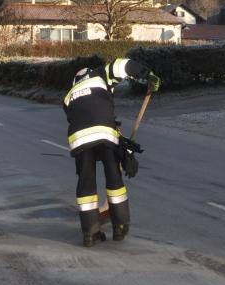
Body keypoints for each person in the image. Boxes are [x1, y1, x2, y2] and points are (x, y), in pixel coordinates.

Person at [63, 58, 160, 247]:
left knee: (86, 182)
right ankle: (120, 226)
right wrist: (147, 74)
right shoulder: (100, 74)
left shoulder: (67, 97)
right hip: (104, 132)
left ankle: (90, 233)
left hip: (79, 139)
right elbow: (124, 65)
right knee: (113, 174)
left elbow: (82, 118)